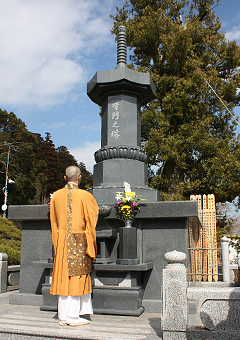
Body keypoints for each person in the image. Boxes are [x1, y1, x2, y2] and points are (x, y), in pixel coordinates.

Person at [50, 165, 99, 326]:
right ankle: (73, 316)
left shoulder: (56, 196)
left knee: (65, 275)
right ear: (79, 178)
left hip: (63, 240)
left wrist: (57, 241)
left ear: (65, 178)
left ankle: (63, 316)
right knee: (77, 275)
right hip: (79, 239)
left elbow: (54, 222)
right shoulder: (86, 196)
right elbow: (92, 219)